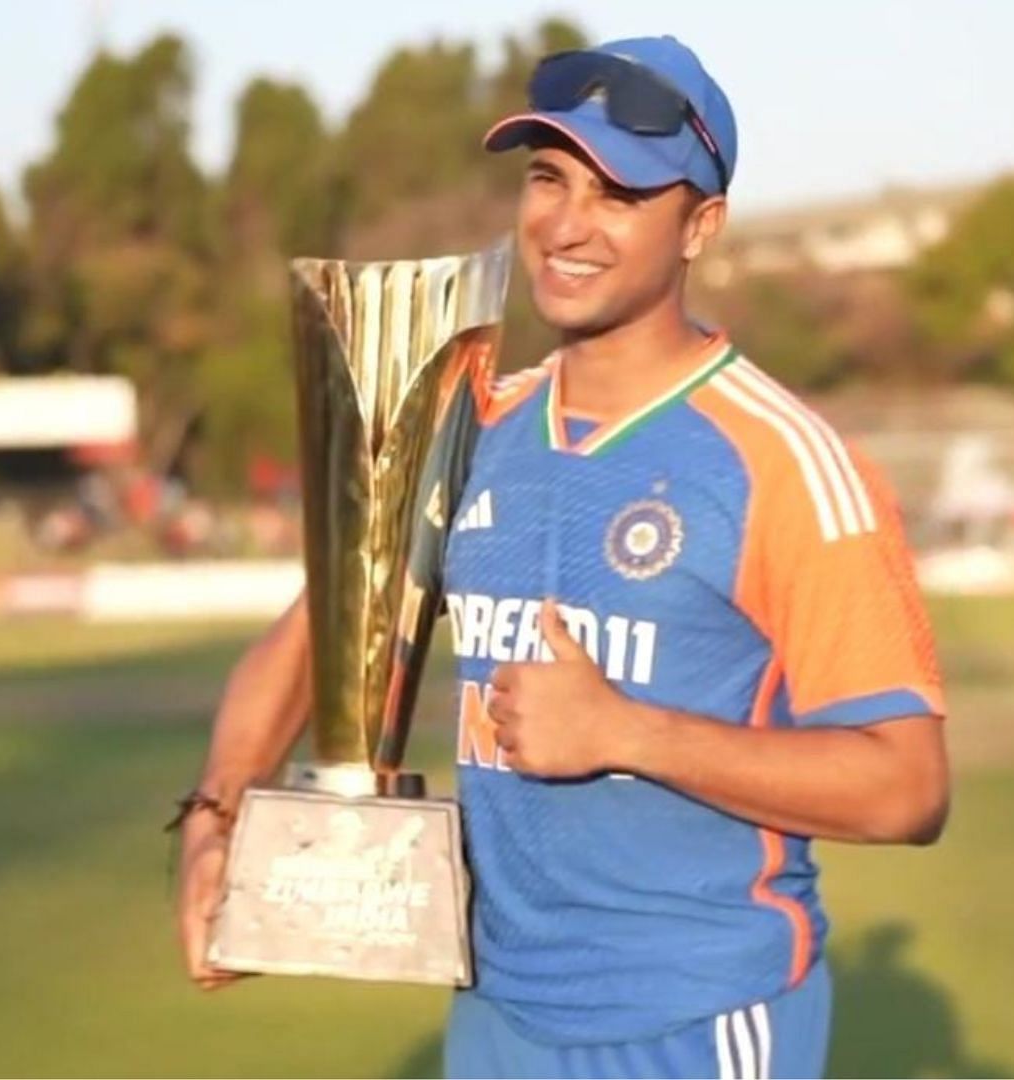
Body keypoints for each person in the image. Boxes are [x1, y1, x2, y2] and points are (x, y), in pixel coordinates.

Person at [172, 36, 950, 1080]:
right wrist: (218, 814)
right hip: (497, 1015)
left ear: (700, 227)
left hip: (696, 1021)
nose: (567, 223)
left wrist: (626, 732)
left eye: (620, 191)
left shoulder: (786, 464)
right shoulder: (472, 427)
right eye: (549, 178)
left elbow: (906, 788)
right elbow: (315, 635)